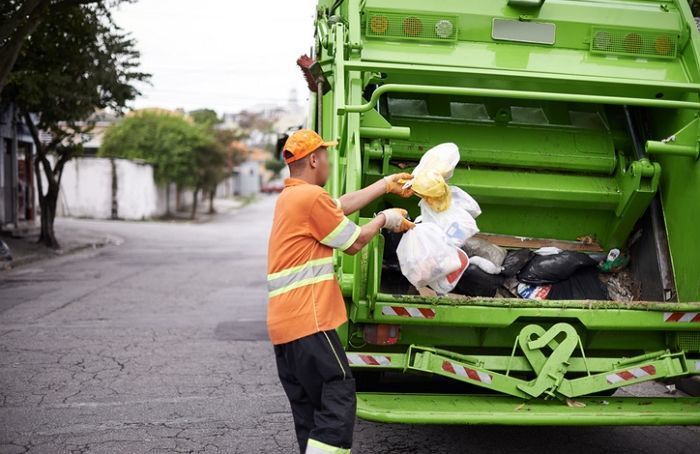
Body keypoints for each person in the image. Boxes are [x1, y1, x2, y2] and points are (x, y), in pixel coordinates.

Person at [267, 129, 415, 453]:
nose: (330, 162)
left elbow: (339, 207)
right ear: (314, 159)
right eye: (327, 155)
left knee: (311, 408)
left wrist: (385, 184)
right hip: (309, 321)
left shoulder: (292, 197)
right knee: (338, 390)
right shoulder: (309, 198)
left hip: (285, 328)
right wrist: (384, 219)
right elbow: (355, 242)